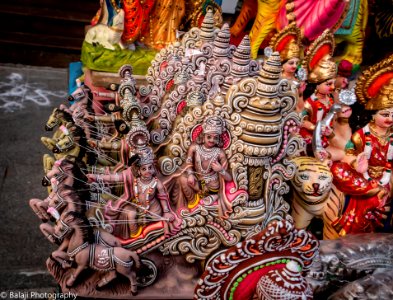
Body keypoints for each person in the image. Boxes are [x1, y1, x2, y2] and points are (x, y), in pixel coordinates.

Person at [331, 54, 393, 235]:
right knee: (338, 170)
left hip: (387, 177)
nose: (390, 119)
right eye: (385, 114)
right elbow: (348, 154)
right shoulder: (361, 136)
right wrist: (356, 164)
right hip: (364, 178)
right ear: (373, 114)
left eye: (392, 114)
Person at [88, 147, 181, 239]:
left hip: (154, 211)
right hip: (138, 207)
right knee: (130, 214)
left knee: (153, 220)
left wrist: (166, 212)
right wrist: (96, 177)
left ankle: (144, 237)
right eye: (144, 169)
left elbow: (163, 197)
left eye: (150, 168)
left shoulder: (157, 183)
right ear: (138, 171)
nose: (148, 171)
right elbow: (113, 178)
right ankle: (136, 238)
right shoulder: (134, 179)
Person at [171, 116, 233, 218]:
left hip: (212, 186)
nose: (212, 140)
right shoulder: (194, 148)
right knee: (181, 179)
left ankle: (214, 196)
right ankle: (193, 203)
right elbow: (188, 163)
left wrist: (220, 170)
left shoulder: (219, 153)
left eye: (215, 138)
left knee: (209, 190)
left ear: (219, 139)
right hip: (197, 182)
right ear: (203, 136)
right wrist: (190, 174)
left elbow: (229, 178)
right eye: (209, 137)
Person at [300, 29, 337, 150]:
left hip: (326, 135)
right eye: (328, 84)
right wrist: (315, 128)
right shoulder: (309, 103)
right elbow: (302, 121)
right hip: (311, 136)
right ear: (317, 84)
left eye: (333, 83)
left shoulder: (330, 99)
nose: (332, 87)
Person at [270, 23, 306, 113]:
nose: (294, 66)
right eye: (291, 63)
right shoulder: (277, 79)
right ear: (282, 64)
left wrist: (300, 92)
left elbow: (301, 108)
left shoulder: (298, 81)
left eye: (297, 63)